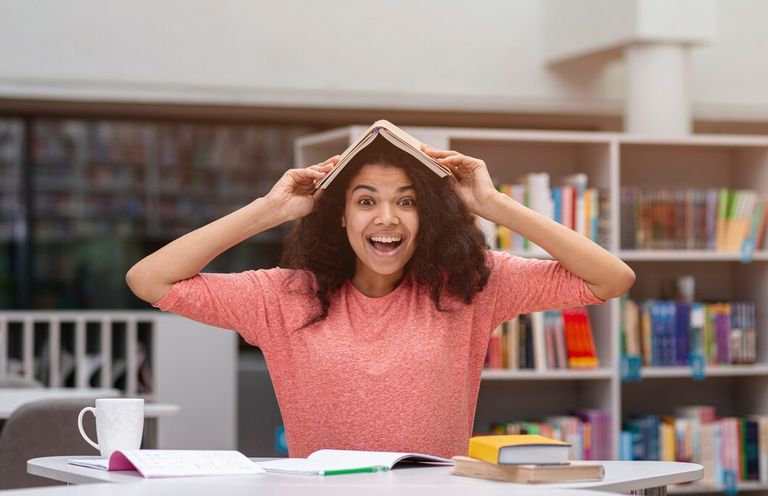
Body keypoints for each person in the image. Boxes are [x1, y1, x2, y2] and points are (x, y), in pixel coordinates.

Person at [126, 136, 635, 458]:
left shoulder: (469, 285)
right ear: (342, 216)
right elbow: (151, 280)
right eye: (366, 200)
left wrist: (492, 203)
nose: (386, 218)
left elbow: (610, 279)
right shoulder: (284, 295)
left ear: (426, 217)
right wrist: (270, 210)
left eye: (406, 202)